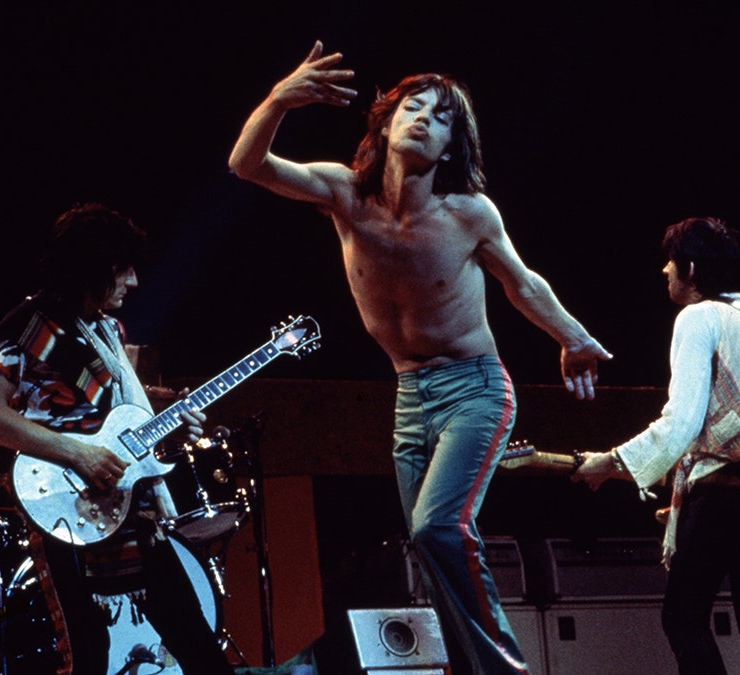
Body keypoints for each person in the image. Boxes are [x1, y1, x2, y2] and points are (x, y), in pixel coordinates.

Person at [229, 41, 610, 675]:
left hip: (477, 390)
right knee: (428, 550)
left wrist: (572, 336)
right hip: (410, 398)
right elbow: (248, 165)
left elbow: (522, 282)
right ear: (384, 122)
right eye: (413, 107)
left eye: (441, 117)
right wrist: (278, 99)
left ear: (451, 146)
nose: (424, 120)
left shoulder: (468, 214)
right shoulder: (345, 195)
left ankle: (506, 670)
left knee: (439, 530)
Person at [0, 203, 234, 675]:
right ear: (91, 269)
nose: (133, 282)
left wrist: (172, 411)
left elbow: (114, 408)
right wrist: (78, 453)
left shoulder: (108, 329)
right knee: (88, 653)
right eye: (122, 270)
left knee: (199, 647)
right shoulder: (28, 326)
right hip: (63, 504)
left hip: (129, 505)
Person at [573, 217, 740, 674]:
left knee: (683, 618)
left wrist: (612, 463)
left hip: (725, 489)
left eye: (670, 262)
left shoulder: (698, 317)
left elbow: (681, 423)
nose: (664, 271)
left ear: (690, 268)